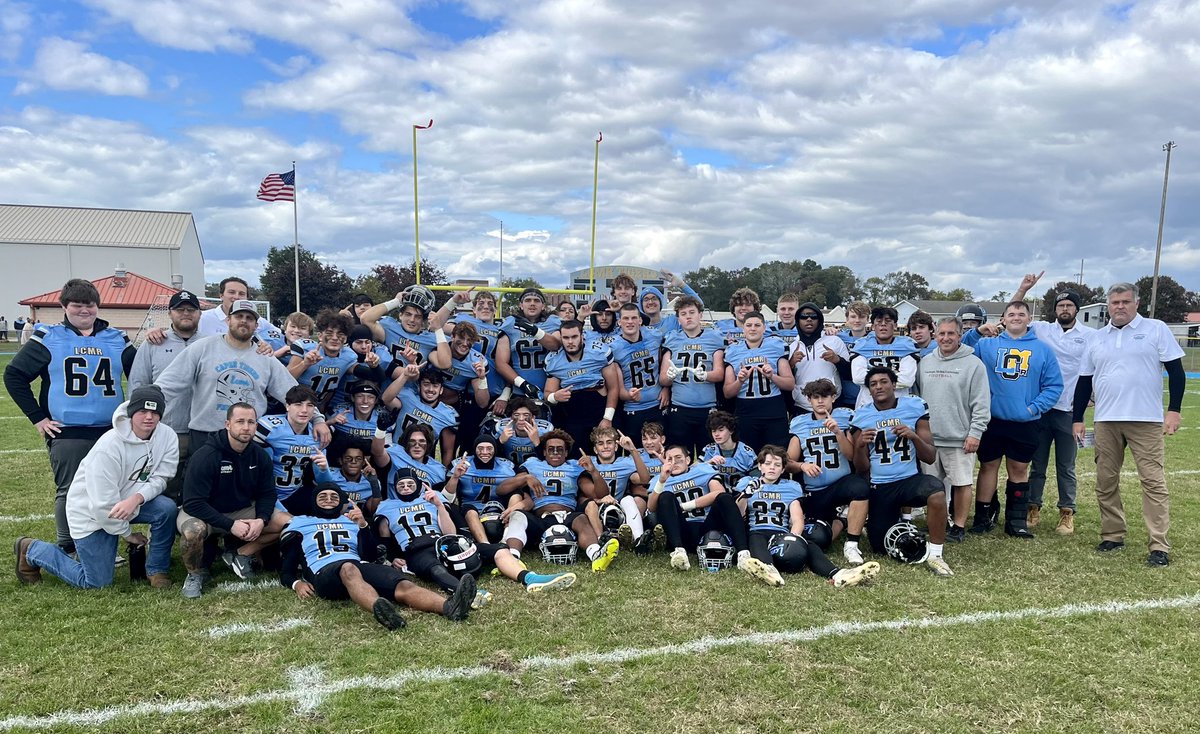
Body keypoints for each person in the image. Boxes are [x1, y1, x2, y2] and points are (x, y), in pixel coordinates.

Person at [4, 278, 136, 553]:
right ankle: (68, 547)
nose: (83, 311)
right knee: (71, 490)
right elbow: (14, 375)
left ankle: (101, 545)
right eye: (77, 305)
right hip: (68, 429)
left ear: (98, 307)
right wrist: (38, 417)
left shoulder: (116, 338)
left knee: (108, 489)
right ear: (64, 306)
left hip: (110, 430)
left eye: (89, 305)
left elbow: (142, 373)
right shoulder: (48, 338)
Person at [15, 386, 179, 589]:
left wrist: (136, 498)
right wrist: (128, 534)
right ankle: (32, 549)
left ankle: (157, 569)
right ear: (131, 412)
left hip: (129, 504)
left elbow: (163, 477)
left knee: (166, 509)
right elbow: (102, 504)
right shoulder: (109, 445)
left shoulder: (168, 436)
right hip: (91, 513)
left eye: (155, 412)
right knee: (96, 582)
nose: (148, 417)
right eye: (142, 411)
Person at [1072, 283, 1186, 567]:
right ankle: (1113, 534)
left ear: (1137, 303)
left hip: (1145, 419)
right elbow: (1084, 381)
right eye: (1114, 302)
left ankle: (1158, 544)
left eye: (1125, 302)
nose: (1119, 307)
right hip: (1106, 420)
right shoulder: (1096, 338)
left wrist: (1173, 411)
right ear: (1107, 306)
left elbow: (1176, 372)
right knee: (1105, 480)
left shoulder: (1156, 329)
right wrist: (1077, 419)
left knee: (1153, 482)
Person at [280, 482, 474, 630]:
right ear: (313, 500)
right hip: (325, 573)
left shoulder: (351, 520)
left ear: (341, 501)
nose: (329, 499)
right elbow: (287, 567)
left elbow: (370, 555)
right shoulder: (300, 523)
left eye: (334, 496)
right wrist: (297, 584)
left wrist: (363, 526)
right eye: (323, 496)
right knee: (348, 568)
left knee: (402, 583)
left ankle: (449, 607)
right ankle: (380, 610)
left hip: (357, 566)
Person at [154, 299, 327, 448]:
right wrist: (142, 406)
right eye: (239, 316)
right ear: (228, 320)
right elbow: (168, 384)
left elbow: (292, 392)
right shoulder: (202, 348)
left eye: (249, 318)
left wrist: (317, 419)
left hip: (247, 437)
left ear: (256, 325)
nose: (244, 321)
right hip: (206, 435)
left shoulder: (265, 357)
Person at [963, 300, 1063, 538]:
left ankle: (1016, 520)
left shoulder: (1043, 349)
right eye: (1011, 314)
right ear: (1003, 319)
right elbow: (961, 348)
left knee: (1019, 469)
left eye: (1021, 314)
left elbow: (1053, 386)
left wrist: (1032, 408)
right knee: (988, 467)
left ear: (1030, 319)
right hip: (993, 420)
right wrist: (977, 331)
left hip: (1025, 422)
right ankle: (982, 518)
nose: (1016, 317)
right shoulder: (987, 345)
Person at [1012, 273, 1097, 534]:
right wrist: (1023, 289)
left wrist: (1093, 394)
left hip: (1070, 410)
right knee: (1037, 464)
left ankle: (1066, 512)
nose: (1064, 309)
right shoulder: (1043, 329)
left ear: (1076, 309)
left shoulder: (1091, 335)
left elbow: (1097, 366)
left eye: (1069, 305)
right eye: (1060, 305)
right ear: (1055, 309)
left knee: (1066, 465)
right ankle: (1033, 507)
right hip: (1041, 407)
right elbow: (1012, 315)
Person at [849, 367, 953, 577]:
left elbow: (930, 456)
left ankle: (936, 554)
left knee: (936, 491)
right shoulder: (862, 415)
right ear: (869, 390)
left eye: (884, 382)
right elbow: (861, 468)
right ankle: (897, 525)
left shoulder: (913, 407)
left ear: (894, 385)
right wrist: (859, 446)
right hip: (880, 486)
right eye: (873, 384)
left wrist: (914, 437)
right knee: (880, 547)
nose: (879, 386)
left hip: (909, 480)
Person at [737, 445, 880, 588]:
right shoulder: (747, 483)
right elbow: (737, 513)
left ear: (783, 469)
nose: (772, 468)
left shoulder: (790, 487)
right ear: (760, 466)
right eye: (767, 464)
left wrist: (793, 539)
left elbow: (797, 517)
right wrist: (746, 494)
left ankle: (839, 574)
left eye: (777, 465)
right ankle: (769, 570)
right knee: (756, 539)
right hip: (757, 531)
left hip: (780, 532)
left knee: (809, 545)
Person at [177, 403, 278, 599]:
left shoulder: (260, 455)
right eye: (240, 421)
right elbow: (192, 502)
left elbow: (267, 493)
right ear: (227, 424)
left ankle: (240, 555)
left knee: (288, 523)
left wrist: (261, 519)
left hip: (239, 511)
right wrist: (230, 525)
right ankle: (194, 575)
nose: (246, 427)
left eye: (251, 422)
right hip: (201, 512)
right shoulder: (206, 455)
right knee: (192, 531)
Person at [496, 430, 620, 572]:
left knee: (582, 519)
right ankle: (512, 558)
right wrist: (525, 478)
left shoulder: (574, 467)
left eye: (560, 449)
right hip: (540, 517)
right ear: (544, 452)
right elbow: (501, 489)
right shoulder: (532, 465)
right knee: (517, 516)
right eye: (551, 449)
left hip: (567, 515)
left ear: (566, 453)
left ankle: (596, 555)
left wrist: (594, 472)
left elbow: (601, 494)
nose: (555, 452)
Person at [918, 317, 991, 542]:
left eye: (951, 334)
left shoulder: (973, 364)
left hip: (959, 438)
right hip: (930, 439)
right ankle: (936, 524)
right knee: (931, 487)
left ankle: (958, 527)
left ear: (960, 335)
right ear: (935, 335)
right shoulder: (926, 362)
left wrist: (975, 433)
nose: (946, 338)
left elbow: (981, 403)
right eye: (942, 334)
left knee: (961, 484)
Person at [129, 289, 203, 501]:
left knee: (200, 483)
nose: (186, 313)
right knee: (164, 484)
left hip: (202, 428)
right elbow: (138, 386)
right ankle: (166, 530)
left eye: (191, 309)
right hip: (166, 427)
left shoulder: (211, 343)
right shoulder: (153, 343)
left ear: (200, 314)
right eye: (180, 309)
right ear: (170, 313)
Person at [786, 378, 870, 564]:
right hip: (815, 492)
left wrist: (838, 433)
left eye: (825, 396)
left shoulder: (843, 416)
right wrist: (802, 466)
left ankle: (852, 545)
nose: (820, 401)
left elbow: (851, 456)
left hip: (841, 483)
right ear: (809, 400)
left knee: (860, 488)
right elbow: (788, 461)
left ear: (834, 397)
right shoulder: (799, 423)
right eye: (815, 397)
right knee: (820, 538)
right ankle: (843, 521)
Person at [647, 445, 755, 575]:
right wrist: (662, 481)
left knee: (725, 498)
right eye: (669, 459)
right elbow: (651, 507)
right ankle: (679, 551)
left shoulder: (702, 469)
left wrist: (684, 506)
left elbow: (718, 492)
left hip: (707, 527)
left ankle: (743, 554)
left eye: (678, 458)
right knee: (665, 496)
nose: (674, 462)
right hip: (683, 530)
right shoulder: (659, 480)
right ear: (664, 462)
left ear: (688, 460)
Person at [542, 319, 620, 457]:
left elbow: (613, 387)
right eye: (566, 338)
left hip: (597, 406)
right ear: (561, 338)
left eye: (574, 337)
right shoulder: (553, 360)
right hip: (571, 411)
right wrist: (555, 396)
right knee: (577, 455)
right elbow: (547, 394)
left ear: (582, 336)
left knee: (605, 454)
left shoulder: (599, 352)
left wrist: (607, 417)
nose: (570, 341)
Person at [660, 295, 726, 456]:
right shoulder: (672, 339)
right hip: (680, 409)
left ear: (700, 315)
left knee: (709, 458)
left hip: (707, 409)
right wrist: (671, 375)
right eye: (683, 314)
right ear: (678, 318)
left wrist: (706, 375)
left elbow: (719, 373)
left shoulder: (714, 337)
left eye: (692, 312)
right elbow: (663, 379)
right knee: (680, 457)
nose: (688, 317)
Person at [723, 311, 794, 451]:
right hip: (746, 410)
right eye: (749, 325)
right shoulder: (732, 350)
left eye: (757, 325)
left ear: (764, 327)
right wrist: (740, 381)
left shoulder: (776, 346)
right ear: (743, 328)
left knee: (777, 456)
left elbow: (790, 384)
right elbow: (727, 392)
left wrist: (772, 376)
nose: (753, 328)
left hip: (773, 408)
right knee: (749, 458)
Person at [288, 309, 378, 413]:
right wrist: (304, 364)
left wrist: (374, 365)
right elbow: (284, 379)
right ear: (320, 336)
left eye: (340, 334)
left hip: (317, 408)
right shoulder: (306, 347)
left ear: (345, 338)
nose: (335, 338)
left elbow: (375, 376)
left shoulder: (348, 356)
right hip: (293, 404)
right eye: (329, 333)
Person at [581, 425, 652, 551]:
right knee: (590, 504)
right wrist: (599, 500)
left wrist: (633, 450)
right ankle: (601, 540)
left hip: (618, 505)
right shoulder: (588, 462)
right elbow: (583, 490)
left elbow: (645, 479)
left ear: (616, 446)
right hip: (596, 506)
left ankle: (637, 539)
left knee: (629, 499)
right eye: (600, 443)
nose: (606, 446)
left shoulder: (625, 463)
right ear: (595, 449)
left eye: (609, 442)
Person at [379, 364, 460, 466]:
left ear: (441, 390)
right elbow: (386, 399)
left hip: (421, 463)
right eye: (426, 384)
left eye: (435, 386)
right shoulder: (408, 397)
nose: (430, 389)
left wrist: (446, 475)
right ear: (419, 386)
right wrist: (405, 375)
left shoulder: (448, 415)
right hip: (396, 455)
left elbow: (447, 450)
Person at [610, 303, 666, 445]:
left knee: (661, 452)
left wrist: (667, 388)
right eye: (626, 318)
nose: (630, 322)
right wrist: (629, 395)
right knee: (636, 454)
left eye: (634, 318)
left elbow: (664, 365)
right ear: (619, 322)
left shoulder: (654, 336)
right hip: (633, 409)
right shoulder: (613, 348)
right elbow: (619, 390)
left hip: (657, 405)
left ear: (640, 320)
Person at [360, 284, 449, 370]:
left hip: (413, 384)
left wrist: (438, 329)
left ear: (423, 320)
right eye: (408, 314)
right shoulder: (389, 328)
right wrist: (396, 301)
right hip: (388, 383)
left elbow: (445, 364)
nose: (412, 320)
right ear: (400, 315)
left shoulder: (431, 339)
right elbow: (365, 318)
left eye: (417, 316)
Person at [496, 287, 562, 398]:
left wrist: (534, 331)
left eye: (537, 301)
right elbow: (501, 363)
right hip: (520, 391)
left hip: (550, 391)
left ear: (543, 306)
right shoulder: (511, 323)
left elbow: (555, 345)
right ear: (521, 305)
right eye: (528, 300)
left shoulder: (552, 321)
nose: (532, 304)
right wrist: (523, 384)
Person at [849, 307, 919, 410]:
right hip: (868, 406)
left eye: (888, 321)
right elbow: (858, 377)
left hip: (899, 407)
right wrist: (891, 380)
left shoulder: (906, 346)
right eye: (879, 321)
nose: (883, 324)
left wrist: (874, 381)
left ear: (895, 325)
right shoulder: (861, 345)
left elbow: (907, 380)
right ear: (873, 326)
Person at [787, 302, 851, 414]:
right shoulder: (792, 347)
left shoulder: (834, 341)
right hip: (802, 406)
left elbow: (850, 374)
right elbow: (786, 379)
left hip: (832, 405)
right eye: (804, 316)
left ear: (820, 320)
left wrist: (837, 360)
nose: (809, 319)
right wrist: (791, 363)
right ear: (798, 320)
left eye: (813, 316)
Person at [195, 276, 284, 350]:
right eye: (231, 292)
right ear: (221, 295)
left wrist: (266, 345)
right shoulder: (202, 318)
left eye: (241, 294)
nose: (236, 297)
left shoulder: (258, 321)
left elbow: (282, 335)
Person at [700, 410, 758, 489]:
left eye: (721, 430)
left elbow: (757, 478)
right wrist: (708, 463)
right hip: (716, 496)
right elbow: (696, 474)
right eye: (713, 431)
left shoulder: (746, 452)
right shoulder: (709, 450)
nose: (716, 434)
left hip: (740, 496)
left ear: (731, 430)